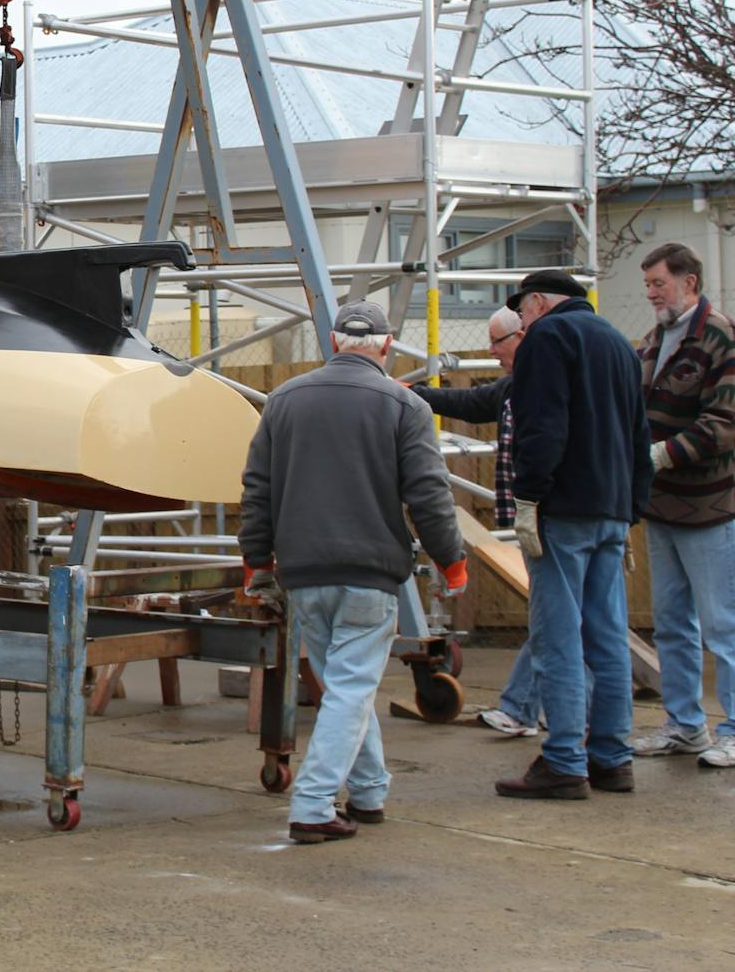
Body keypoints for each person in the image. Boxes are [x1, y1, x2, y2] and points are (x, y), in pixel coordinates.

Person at [240, 300, 467, 844]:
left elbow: (257, 489)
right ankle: (313, 805)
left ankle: (367, 791)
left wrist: (258, 562)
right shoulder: (404, 405)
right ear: (386, 346)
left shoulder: (283, 400)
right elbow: (429, 494)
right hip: (370, 572)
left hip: (304, 572)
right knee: (350, 689)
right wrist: (452, 562)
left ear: (333, 342)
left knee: (344, 688)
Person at [495, 270, 652, 800]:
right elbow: (638, 432)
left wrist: (529, 496)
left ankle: (563, 760)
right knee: (607, 638)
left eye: (522, 312)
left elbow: (543, 426)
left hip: (562, 510)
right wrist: (632, 505)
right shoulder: (620, 343)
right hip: (612, 509)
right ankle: (612, 757)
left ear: (539, 302)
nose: (522, 323)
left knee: (557, 638)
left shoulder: (547, 338)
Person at [410, 306, 540, 737]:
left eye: (497, 341)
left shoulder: (541, 383)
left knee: (556, 618)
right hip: (539, 519)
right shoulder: (515, 386)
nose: (491, 350)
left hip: (550, 519)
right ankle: (532, 709)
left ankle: (524, 709)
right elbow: (473, 402)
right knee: (562, 619)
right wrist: (416, 393)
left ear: (521, 337)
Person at [629, 242, 735, 768]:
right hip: (663, 506)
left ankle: (733, 730)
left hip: (710, 506)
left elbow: (724, 424)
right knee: (671, 623)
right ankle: (685, 726)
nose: (651, 293)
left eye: (659, 283)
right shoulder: (654, 339)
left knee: (723, 625)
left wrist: (658, 455)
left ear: (689, 282)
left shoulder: (720, 337)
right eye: (648, 284)